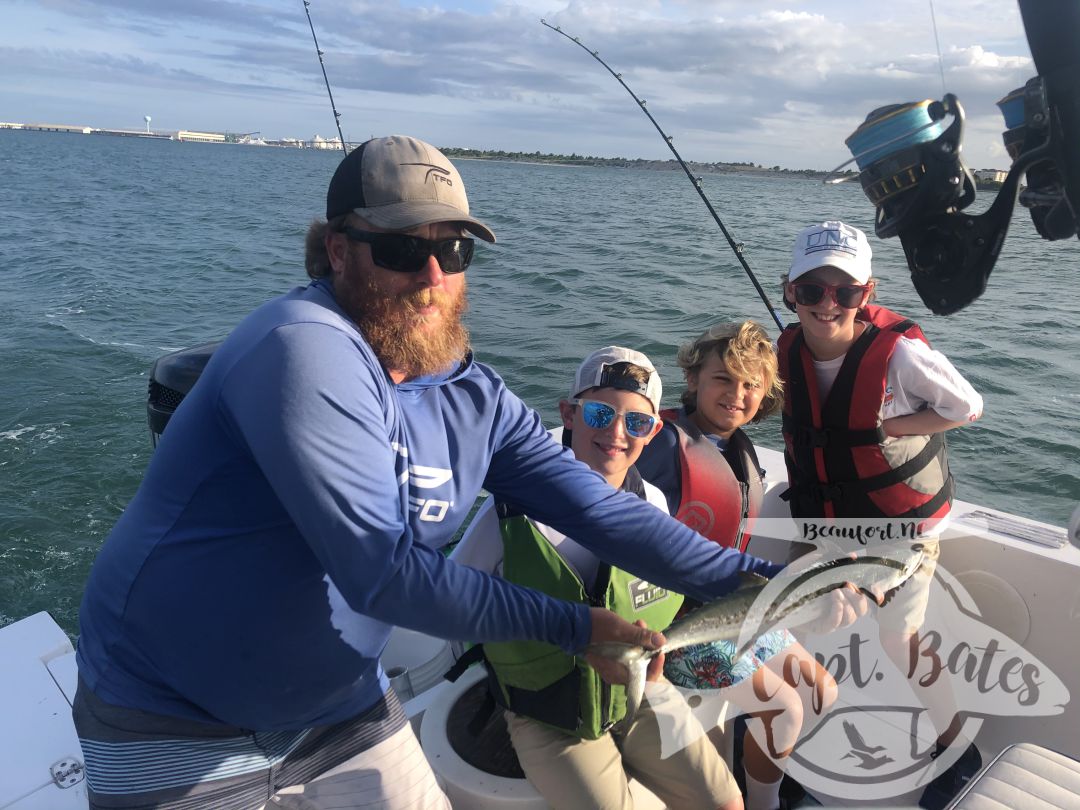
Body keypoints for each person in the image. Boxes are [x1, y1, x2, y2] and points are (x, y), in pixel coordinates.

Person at [72, 135, 811, 810]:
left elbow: (600, 510)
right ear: (337, 250)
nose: (432, 275)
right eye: (399, 248)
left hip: (339, 707)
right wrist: (574, 626)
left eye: (455, 250)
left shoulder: (472, 393)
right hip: (170, 719)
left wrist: (760, 589)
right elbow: (382, 574)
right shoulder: (299, 347)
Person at [452, 346, 744, 810]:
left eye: (636, 423)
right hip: (545, 711)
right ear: (569, 413)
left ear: (652, 434)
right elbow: (452, 601)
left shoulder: (650, 502)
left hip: (637, 688)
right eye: (599, 413)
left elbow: (654, 596)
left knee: (725, 800)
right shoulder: (509, 512)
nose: (615, 432)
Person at [775, 220, 985, 809]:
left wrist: (890, 426)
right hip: (827, 520)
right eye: (812, 289)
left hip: (900, 532)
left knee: (898, 641)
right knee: (774, 621)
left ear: (867, 294)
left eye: (844, 291)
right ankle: (773, 751)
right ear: (790, 291)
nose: (827, 304)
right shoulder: (783, 350)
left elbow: (967, 406)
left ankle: (958, 747)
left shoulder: (900, 356)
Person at [635, 322, 837, 810]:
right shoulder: (661, 447)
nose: (736, 394)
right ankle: (764, 802)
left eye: (751, 385)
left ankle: (760, 772)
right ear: (694, 380)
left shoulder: (736, 449)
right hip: (681, 621)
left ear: (765, 395)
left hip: (733, 602)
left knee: (821, 691)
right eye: (723, 378)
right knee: (785, 707)